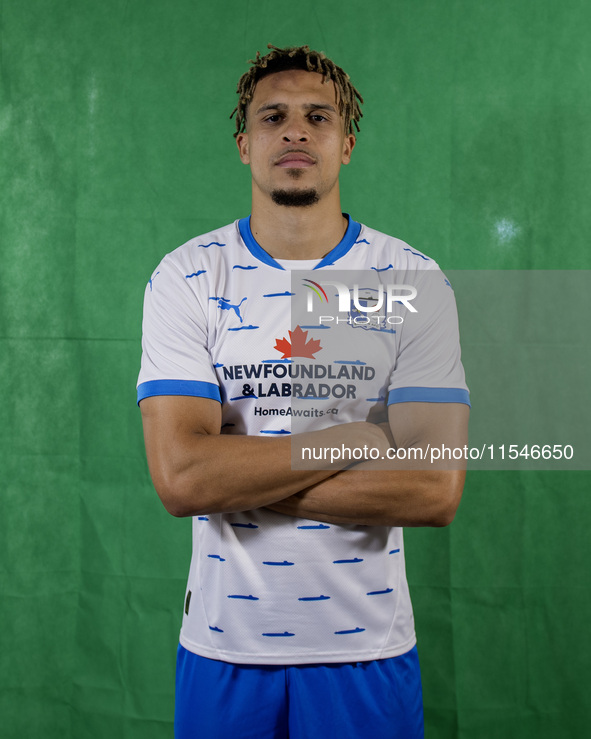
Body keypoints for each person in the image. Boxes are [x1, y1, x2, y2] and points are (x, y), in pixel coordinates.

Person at [137, 44, 470, 739]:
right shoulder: (186, 276)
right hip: (224, 649)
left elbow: (432, 489)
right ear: (243, 144)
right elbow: (180, 479)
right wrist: (354, 438)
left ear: (345, 144)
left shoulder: (411, 280)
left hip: (365, 653)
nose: (294, 130)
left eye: (317, 116)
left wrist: (235, 467)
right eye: (273, 117)